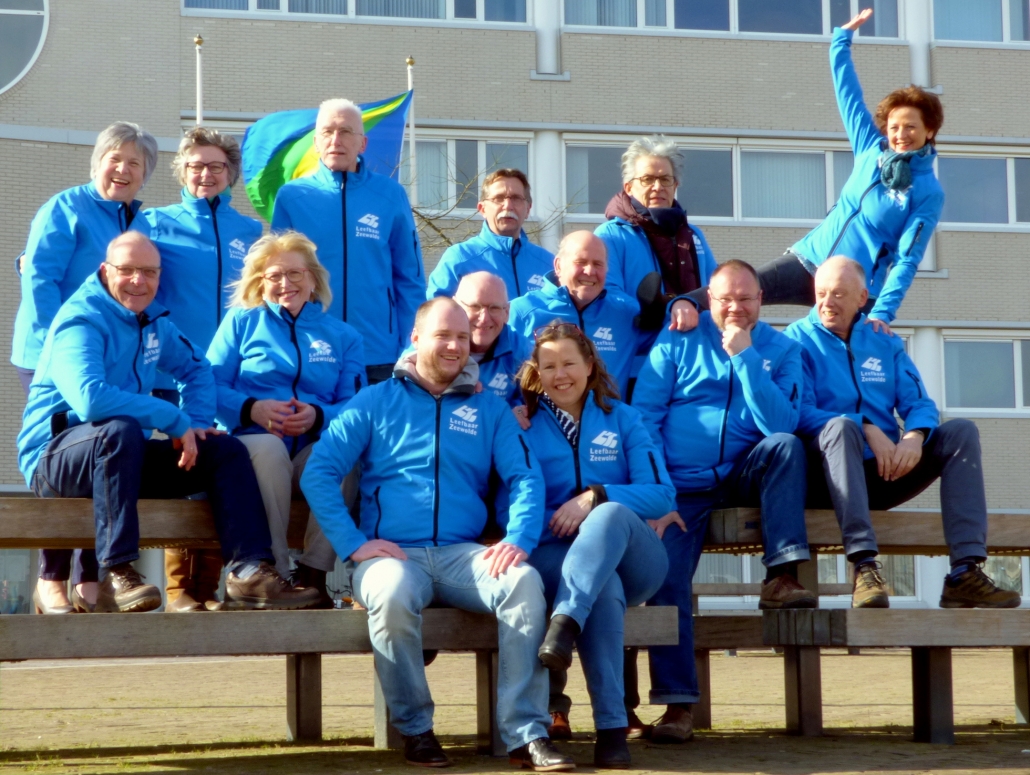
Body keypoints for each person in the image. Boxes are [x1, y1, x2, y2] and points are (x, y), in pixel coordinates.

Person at [300, 297, 573, 771]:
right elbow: (319, 472)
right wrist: (353, 544)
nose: (454, 346)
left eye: (463, 338)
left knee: (524, 582)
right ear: (415, 338)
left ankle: (526, 734)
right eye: (443, 335)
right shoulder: (374, 401)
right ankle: (416, 730)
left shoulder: (489, 408)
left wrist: (519, 539)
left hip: (462, 556)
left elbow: (525, 477)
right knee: (390, 593)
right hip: (392, 557)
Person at [17, 232, 320, 614]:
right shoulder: (81, 320)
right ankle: (117, 572)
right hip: (56, 461)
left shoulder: (153, 321)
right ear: (105, 271)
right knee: (120, 429)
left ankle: (248, 572)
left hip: (121, 457)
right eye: (127, 270)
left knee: (224, 449)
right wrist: (174, 418)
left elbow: (197, 369)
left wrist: (197, 423)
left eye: (149, 272)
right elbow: (90, 399)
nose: (139, 281)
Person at [632, 260, 814, 743]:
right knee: (665, 579)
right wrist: (659, 491)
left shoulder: (783, 350)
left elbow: (781, 424)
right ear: (708, 300)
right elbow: (645, 418)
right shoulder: (678, 339)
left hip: (742, 475)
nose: (735, 308)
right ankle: (677, 707)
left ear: (761, 299)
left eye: (745, 299)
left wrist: (746, 356)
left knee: (786, 447)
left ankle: (781, 574)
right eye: (725, 299)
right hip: (679, 487)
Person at [687, 9, 944, 332]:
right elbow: (848, 95)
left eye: (911, 127)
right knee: (737, 290)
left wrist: (883, 312)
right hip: (809, 259)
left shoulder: (927, 191)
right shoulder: (870, 149)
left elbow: (908, 258)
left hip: (852, 287)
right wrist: (841, 41)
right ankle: (668, 307)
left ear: (929, 130)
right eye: (894, 127)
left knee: (833, 356)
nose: (901, 135)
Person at [785, 257, 1020, 610]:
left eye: (838, 294)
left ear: (862, 298)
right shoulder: (794, 341)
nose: (827, 303)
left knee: (960, 432)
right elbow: (797, 413)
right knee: (842, 427)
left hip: (884, 471)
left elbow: (920, 403)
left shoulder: (883, 341)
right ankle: (864, 567)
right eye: (820, 293)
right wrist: (865, 426)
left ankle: (964, 572)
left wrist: (914, 436)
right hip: (827, 477)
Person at [511, 322, 673, 768]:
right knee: (602, 590)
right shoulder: (522, 424)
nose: (560, 374)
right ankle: (612, 730)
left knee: (609, 512)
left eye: (569, 363)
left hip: (634, 559)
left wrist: (594, 497)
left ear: (589, 365)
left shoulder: (624, 418)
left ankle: (564, 623)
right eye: (549, 366)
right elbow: (510, 501)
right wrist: (559, 521)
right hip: (555, 555)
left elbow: (661, 494)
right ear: (536, 373)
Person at [12, 121, 158, 614]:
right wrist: (61, 351)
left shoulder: (139, 223)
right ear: (97, 162)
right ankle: (51, 577)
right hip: (54, 358)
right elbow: (40, 279)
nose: (123, 169)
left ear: (145, 175)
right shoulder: (66, 208)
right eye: (115, 159)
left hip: (112, 361)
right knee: (65, 461)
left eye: (134, 163)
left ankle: (90, 579)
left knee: (107, 461)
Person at [133, 126, 264, 613]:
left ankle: (206, 587)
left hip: (225, 376)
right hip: (168, 375)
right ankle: (179, 589)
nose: (205, 174)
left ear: (230, 173)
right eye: (195, 166)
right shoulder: (154, 222)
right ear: (182, 172)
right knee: (176, 472)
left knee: (215, 473)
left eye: (215, 166)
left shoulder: (252, 233)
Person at [207, 231, 366, 607]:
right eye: (274, 275)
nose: (285, 283)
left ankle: (313, 574)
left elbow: (358, 406)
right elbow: (208, 386)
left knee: (346, 456)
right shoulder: (241, 322)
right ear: (260, 282)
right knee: (268, 448)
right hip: (253, 450)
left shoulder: (344, 336)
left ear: (313, 279)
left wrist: (319, 416)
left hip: (310, 454)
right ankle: (271, 573)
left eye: (295, 273)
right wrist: (251, 408)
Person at [271, 97, 426, 384]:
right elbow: (276, 283)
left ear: (362, 144)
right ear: (316, 142)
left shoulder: (390, 195)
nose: (335, 140)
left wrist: (412, 345)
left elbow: (409, 278)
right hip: (310, 349)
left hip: (378, 353)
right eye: (327, 132)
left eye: (345, 131)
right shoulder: (292, 197)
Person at [596, 135, 717, 331]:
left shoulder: (694, 235)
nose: (658, 187)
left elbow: (717, 291)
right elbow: (608, 294)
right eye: (648, 179)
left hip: (697, 343)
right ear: (628, 187)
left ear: (675, 185)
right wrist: (667, 311)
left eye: (665, 179)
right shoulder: (610, 235)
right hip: (640, 345)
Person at [427, 169, 553, 300]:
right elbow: (435, 309)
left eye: (516, 198)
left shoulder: (548, 264)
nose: (508, 206)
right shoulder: (459, 258)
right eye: (498, 198)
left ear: (528, 209)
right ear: (482, 209)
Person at [453, 271, 530, 407]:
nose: (484, 319)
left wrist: (515, 411)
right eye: (475, 307)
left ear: (506, 312)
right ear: (455, 306)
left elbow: (537, 404)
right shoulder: (432, 342)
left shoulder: (523, 353)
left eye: (494, 308)